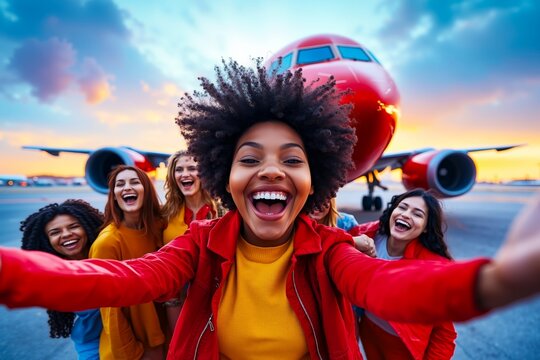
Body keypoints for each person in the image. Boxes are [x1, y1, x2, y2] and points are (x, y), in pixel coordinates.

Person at [1, 59, 540, 359]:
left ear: (316, 179)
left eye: (293, 159)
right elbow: (118, 280)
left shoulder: (330, 246)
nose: (272, 171)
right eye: (249, 158)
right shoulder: (199, 242)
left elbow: (387, 284)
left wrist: (490, 283)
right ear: (224, 176)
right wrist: (12, 273)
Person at [355, 189, 456, 359]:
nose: (406, 215)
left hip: (403, 344)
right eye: (402, 207)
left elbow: (444, 333)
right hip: (369, 328)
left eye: (417, 214)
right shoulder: (369, 235)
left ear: (425, 228)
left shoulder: (432, 268)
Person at [88, 165, 166, 360]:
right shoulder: (108, 242)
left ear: (147, 191)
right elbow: (110, 313)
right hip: (137, 349)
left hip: (162, 337)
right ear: (114, 195)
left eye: (135, 182)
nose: (127, 188)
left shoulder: (158, 227)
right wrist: (132, 354)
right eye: (120, 184)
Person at [20, 199, 104, 360]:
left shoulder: (110, 251)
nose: (66, 234)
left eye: (73, 226)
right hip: (92, 342)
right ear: (47, 241)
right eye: (55, 232)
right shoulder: (54, 275)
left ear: (87, 226)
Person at [161, 150, 225, 331]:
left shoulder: (222, 211)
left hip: (214, 296)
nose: (185, 174)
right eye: (179, 169)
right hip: (175, 299)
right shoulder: (164, 214)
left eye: (192, 168)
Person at [310, 197, 376, 257]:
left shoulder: (346, 223)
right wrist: (351, 240)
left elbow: (359, 258)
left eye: (324, 196)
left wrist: (367, 249)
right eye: (309, 197)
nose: (317, 203)